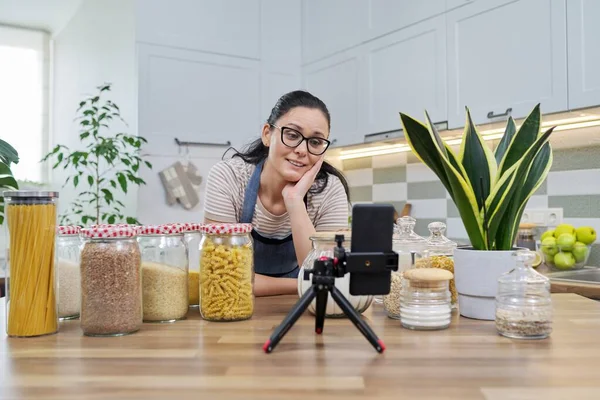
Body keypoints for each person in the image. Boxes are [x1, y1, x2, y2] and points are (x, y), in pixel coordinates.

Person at [203, 90, 350, 297]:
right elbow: (221, 276)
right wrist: (307, 284)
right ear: (267, 134)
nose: (302, 149)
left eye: (315, 142)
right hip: (237, 308)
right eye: (292, 135)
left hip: (306, 312)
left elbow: (332, 276)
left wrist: (295, 200)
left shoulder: (329, 190)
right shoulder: (229, 177)